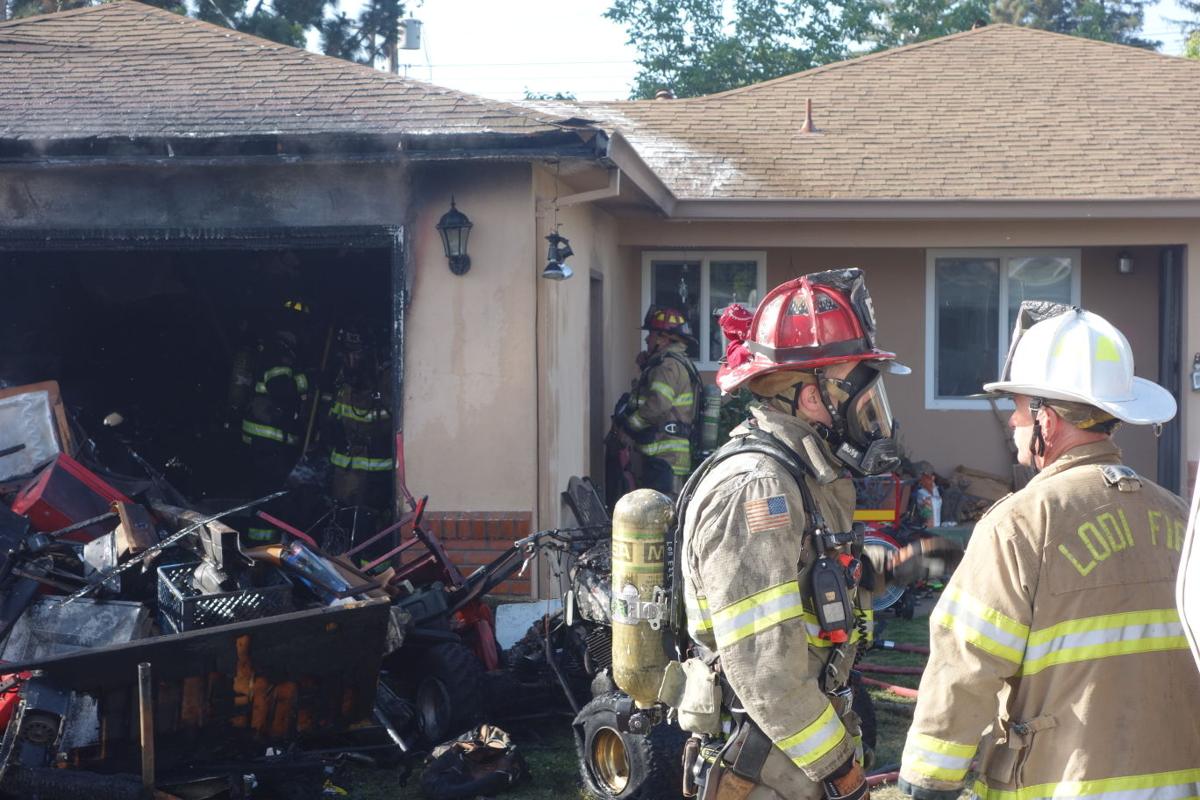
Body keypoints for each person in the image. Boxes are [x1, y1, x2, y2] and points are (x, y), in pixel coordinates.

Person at [676, 269, 958, 800]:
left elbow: (812, 585)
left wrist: (893, 569)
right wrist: (843, 775)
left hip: (794, 759)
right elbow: (765, 670)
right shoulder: (758, 491)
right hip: (765, 767)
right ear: (810, 397)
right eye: (861, 391)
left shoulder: (804, 476)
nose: (874, 416)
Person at [898, 305, 1200, 800]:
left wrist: (927, 783)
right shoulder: (1179, 516)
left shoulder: (1020, 524)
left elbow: (966, 667)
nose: (1013, 421)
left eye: (1018, 406)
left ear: (1047, 419)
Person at [239, 298, 312, 544]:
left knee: (273, 501)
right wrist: (310, 381)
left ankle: (268, 550)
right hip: (267, 443)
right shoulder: (277, 351)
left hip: (272, 443)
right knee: (268, 502)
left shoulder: (285, 352)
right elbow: (281, 389)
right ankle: (260, 553)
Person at [323, 324, 395, 566]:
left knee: (370, 532)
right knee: (341, 526)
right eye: (347, 353)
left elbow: (391, 422)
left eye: (357, 352)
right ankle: (342, 571)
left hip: (375, 474)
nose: (351, 359)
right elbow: (335, 419)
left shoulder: (385, 380)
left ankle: (372, 577)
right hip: (345, 474)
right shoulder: (343, 380)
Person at [612, 306, 702, 498]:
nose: (647, 339)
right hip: (668, 456)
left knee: (658, 517)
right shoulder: (671, 363)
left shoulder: (667, 366)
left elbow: (657, 406)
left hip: (663, 456)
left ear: (663, 339)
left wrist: (628, 427)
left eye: (651, 334)